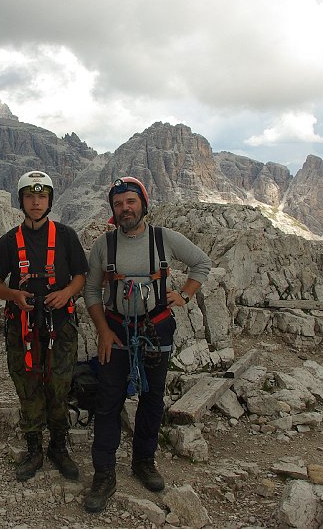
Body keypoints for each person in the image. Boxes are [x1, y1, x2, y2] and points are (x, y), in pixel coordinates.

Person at [82, 177, 211, 513]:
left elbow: (202, 263)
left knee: (152, 398)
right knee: (108, 401)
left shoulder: (163, 238)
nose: (125, 209)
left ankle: (143, 461)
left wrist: (183, 295)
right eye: (119, 204)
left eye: (130, 202)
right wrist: (102, 331)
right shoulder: (104, 245)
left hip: (156, 328)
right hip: (115, 331)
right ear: (113, 210)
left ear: (143, 204)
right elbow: (92, 291)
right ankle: (104, 473)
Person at [0, 171, 88, 481]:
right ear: (22, 200)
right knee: (27, 384)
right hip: (22, 326)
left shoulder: (66, 236)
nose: (35, 202)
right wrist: (13, 295)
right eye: (30, 197)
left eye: (41, 196)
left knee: (59, 384)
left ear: (49, 201)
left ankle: (58, 447)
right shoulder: (9, 241)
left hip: (60, 325)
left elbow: (80, 276)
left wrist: (66, 293)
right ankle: (34, 448)